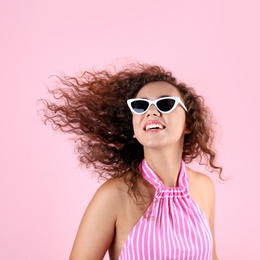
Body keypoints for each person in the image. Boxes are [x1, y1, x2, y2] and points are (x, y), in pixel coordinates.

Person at [41, 62, 223, 260]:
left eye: (165, 104)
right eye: (140, 106)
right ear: (134, 128)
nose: (151, 112)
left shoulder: (205, 188)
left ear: (188, 123)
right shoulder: (113, 195)